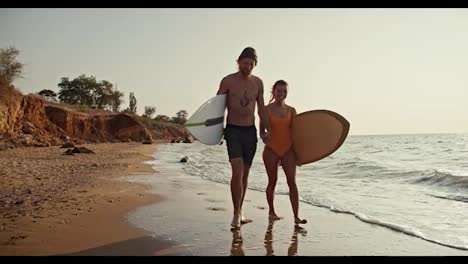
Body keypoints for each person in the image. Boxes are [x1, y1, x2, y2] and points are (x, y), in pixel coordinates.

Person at [216, 47, 272, 229]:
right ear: (238, 61)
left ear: (254, 65)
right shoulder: (227, 81)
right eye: (245, 63)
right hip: (233, 130)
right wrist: (217, 131)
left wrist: (266, 130)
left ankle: (240, 210)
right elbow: (218, 107)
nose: (247, 66)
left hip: (250, 131)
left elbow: (261, 109)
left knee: (245, 175)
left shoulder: (258, 83)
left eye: (251, 64)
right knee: (237, 171)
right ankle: (235, 213)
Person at [259, 80, 307, 225]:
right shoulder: (266, 110)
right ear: (273, 91)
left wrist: (301, 154)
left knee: (292, 182)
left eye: (284, 91)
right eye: (279, 90)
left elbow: (297, 132)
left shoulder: (292, 111)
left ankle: (296, 217)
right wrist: (264, 137)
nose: (282, 93)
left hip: (288, 150)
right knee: (272, 182)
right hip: (271, 150)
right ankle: (272, 212)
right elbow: (262, 131)